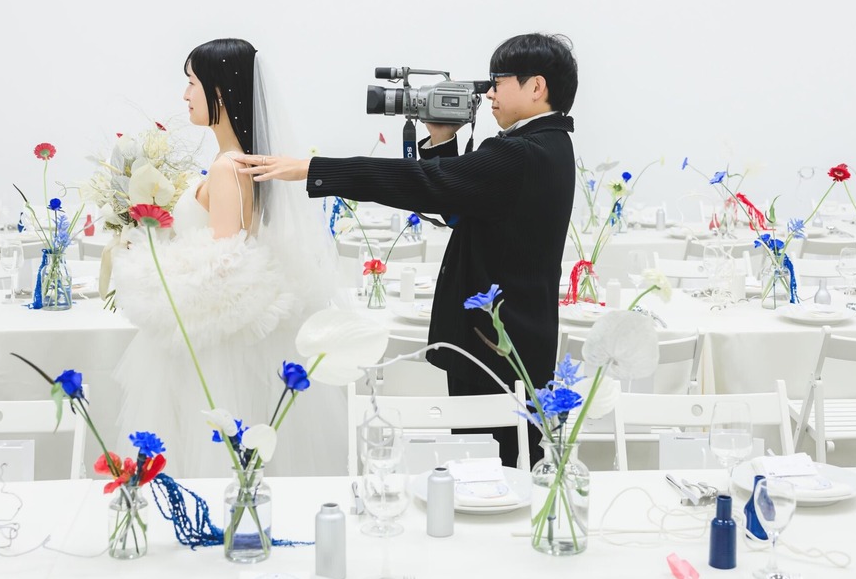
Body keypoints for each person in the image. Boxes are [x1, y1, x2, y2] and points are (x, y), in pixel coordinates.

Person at [239, 33, 578, 467]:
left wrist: (313, 169)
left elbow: (427, 183)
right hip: (514, 339)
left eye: (499, 81)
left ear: (536, 87)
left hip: (498, 346)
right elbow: (460, 202)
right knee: (502, 463)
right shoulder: (549, 145)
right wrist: (440, 140)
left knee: (492, 467)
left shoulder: (520, 153)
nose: (489, 92)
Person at [110, 38, 346, 477]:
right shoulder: (240, 161)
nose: (184, 96)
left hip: (215, 338)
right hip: (234, 331)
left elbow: (225, 263)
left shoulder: (226, 167)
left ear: (218, 91)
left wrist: (150, 265)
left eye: (191, 83)